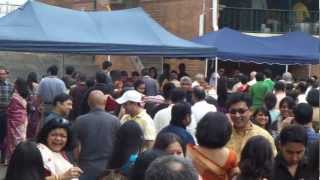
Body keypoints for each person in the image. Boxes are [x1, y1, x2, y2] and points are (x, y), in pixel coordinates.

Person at [74, 90, 120, 180]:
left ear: (88, 103)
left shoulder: (80, 121)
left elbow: (76, 147)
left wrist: (76, 163)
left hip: (86, 168)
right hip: (107, 168)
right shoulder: (115, 121)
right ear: (105, 102)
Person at [187, 112, 238, 180]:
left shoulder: (188, 151)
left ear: (200, 128)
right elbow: (234, 175)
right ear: (226, 132)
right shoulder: (231, 156)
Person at [226, 93, 277, 159]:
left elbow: (272, 160)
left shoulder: (263, 135)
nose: (237, 115)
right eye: (233, 112)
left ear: (251, 111)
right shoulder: (224, 136)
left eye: (241, 111)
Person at [4, 78, 29, 164]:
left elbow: (11, 109)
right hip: (23, 119)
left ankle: (13, 159)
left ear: (17, 85)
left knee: (14, 140)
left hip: (14, 121)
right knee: (22, 138)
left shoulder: (15, 96)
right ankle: (22, 157)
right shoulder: (25, 94)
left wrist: (7, 111)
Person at [0, 66, 14, 156]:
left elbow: (12, 99)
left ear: (7, 75)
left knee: (5, 134)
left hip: (6, 113)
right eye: (0, 74)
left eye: (2, 74)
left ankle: (3, 155)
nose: (1, 75)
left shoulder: (10, 86)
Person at [26, 72, 42, 139]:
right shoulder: (37, 85)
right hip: (35, 106)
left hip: (27, 106)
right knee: (35, 123)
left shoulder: (26, 85)